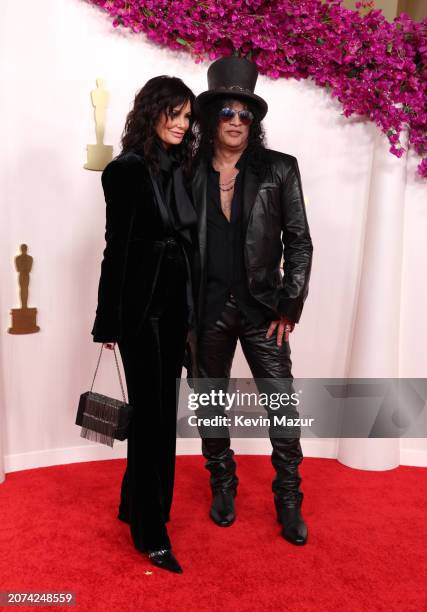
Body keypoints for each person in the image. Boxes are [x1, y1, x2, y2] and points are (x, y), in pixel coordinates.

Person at [188, 56, 313, 545]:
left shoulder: (279, 170)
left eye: (246, 114)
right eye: (227, 112)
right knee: (211, 403)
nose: (237, 121)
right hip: (206, 309)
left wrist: (290, 304)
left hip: (264, 310)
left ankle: (288, 497)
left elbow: (299, 240)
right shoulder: (189, 171)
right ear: (212, 116)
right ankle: (222, 483)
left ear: (254, 121)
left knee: (281, 405)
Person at [91, 76, 198, 573]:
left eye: (187, 116)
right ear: (152, 112)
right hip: (141, 310)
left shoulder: (183, 167)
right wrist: (107, 320)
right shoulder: (126, 170)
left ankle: (134, 505)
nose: (181, 124)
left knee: (163, 412)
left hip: (177, 309)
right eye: (172, 114)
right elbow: (117, 248)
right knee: (153, 419)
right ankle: (150, 533)